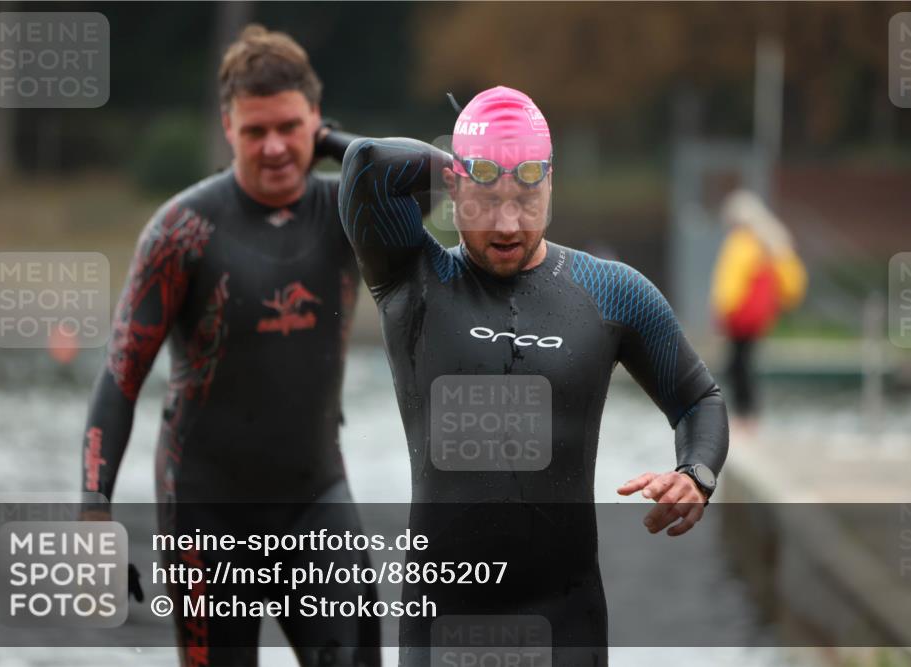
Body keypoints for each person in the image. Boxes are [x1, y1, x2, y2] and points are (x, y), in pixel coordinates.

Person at [339, 86, 728, 666]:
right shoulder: (413, 282)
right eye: (486, 199)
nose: (506, 223)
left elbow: (700, 399)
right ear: (453, 188)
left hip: (565, 623)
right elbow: (366, 163)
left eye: (526, 197)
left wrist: (695, 474)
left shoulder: (611, 292)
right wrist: (458, 158)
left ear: (552, 182)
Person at [81, 25, 379, 667]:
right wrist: (93, 505)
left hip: (315, 499)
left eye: (290, 127)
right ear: (226, 128)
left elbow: (444, 182)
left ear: (316, 121)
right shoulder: (182, 231)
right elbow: (120, 375)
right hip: (206, 515)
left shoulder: (347, 211)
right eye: (253, 132)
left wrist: (337, 148)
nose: (274, 148)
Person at [710, 189, 807, 429]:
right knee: (745, 363)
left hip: (739, 317)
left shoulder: (741, 243)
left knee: (737, 365)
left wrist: (721, 310)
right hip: (759, 318)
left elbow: (728, 281)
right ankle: (750, 414)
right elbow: (792, 280)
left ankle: (744, 415)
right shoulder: (770, 243)